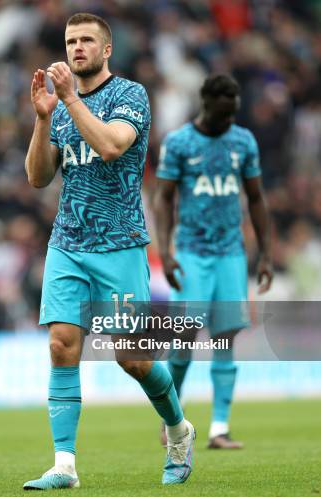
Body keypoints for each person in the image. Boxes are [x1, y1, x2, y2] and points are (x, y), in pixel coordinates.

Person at [22, 13, 195, 490]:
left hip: (119, 244)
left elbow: (114, 145)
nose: (76, 48)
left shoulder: (130, 96)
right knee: (61, 345)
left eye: (85, 41)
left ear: (107, 49)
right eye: (70, 41)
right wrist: (42, 119)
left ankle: (179, 432)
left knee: (133, 359)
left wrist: (69, 101)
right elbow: (38, 177)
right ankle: (64, 465)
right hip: (68, 242)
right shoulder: (58, 108)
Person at [154, 74, 273, 449]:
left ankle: (219, 427)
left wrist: (266, 253)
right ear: (206, 104)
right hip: (191, 251)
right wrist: (166, 252)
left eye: (232, 115)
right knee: (184, 334)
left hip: (231, 253)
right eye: (222, 115)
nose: (228, 123)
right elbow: (163, 199)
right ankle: (172, 417)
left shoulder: (243, 141)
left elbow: (255, 198)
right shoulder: (179, 142)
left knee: (226, 337)